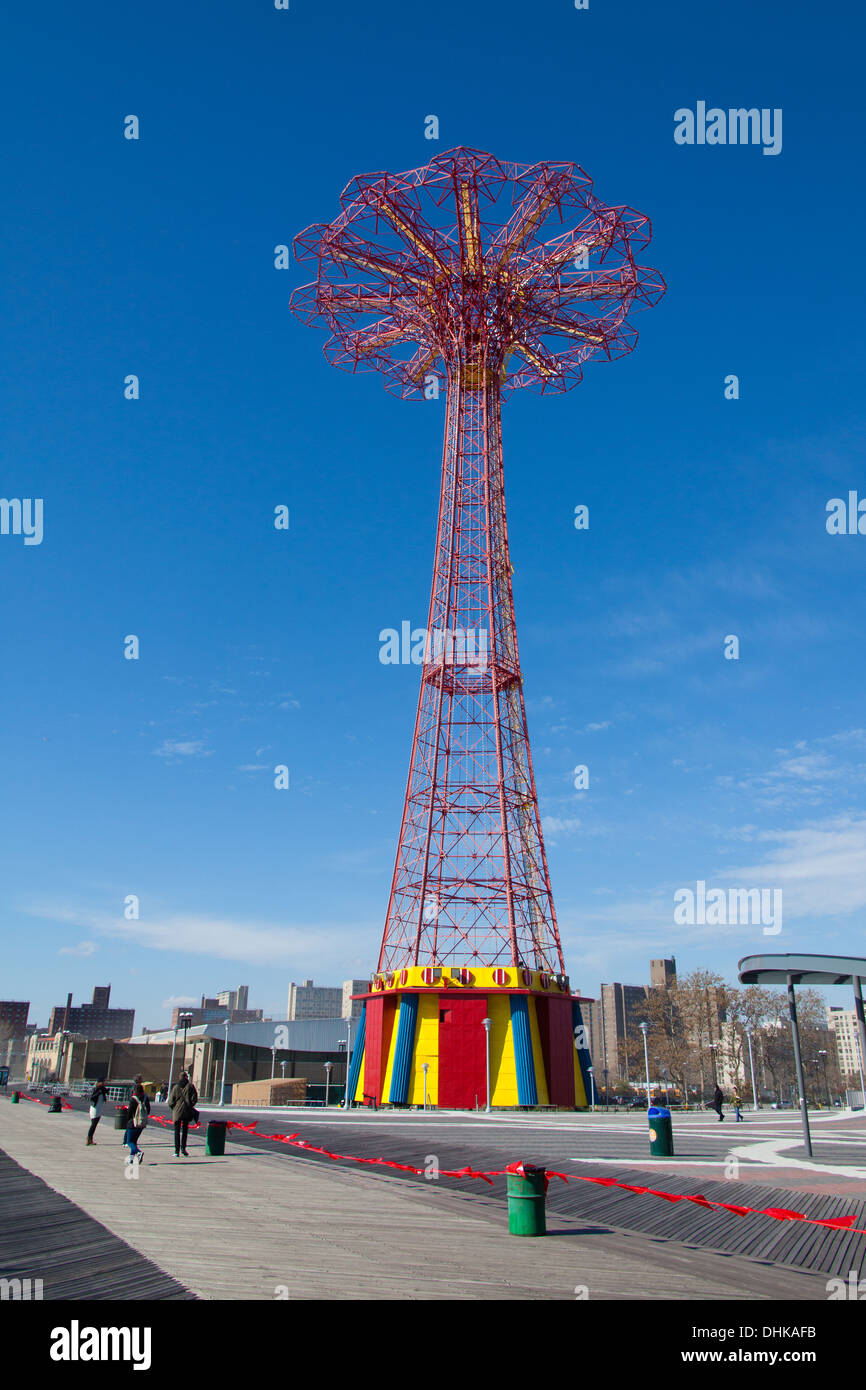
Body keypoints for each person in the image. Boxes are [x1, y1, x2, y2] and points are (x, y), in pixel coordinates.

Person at [168, 1071, 198, 1157]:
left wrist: (174, 1108)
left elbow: (170, 1101)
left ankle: (176, 1151)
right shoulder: (191, 1086)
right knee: (185, 1131)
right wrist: (190, 1105)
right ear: (186, 1077)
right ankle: (183, 1148)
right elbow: (195, 1098)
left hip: (177, 1112)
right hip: (187, 1111)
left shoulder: (176, 1087)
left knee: (177, 1132)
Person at [124, 1081, 150, 1165]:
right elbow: (148, 1110)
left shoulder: (133, 1099)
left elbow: (130, 1111)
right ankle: (131, 1159)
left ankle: (138, 1152)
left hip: (133, 1122)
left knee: (129, 1141)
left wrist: (127, 1121)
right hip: (141, 1123)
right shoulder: (145, 1098)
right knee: (134, 1141)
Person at [86, 1079, 108, 1145]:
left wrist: (105, 1091)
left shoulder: (103, 1089)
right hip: (94, 1108)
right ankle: (89, 1138)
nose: (104, 1083)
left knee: (95, 1125)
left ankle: (90, 1139)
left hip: (99, 1108)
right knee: (93, 1124)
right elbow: (92, 1097)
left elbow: (106, 1094)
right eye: (102, 1082)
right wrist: (99, 1093)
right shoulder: (96, 1089)